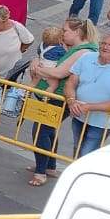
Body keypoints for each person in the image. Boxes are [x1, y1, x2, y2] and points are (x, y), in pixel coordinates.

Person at [27, 18, 97, 183]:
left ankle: (41, 172)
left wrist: (39, 68)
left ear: (77, 32)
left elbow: (59, 73)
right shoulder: (77, 49)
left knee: (41, 131)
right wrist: (37, 62)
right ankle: (48, 166)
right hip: (57, 95)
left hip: (59, 97)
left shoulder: (83, 52)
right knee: (48, 130)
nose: (62, 33)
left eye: (65, 30)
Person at [64, 32, 110, 158]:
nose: (105, 47)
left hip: (102, 122)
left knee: (87, 153)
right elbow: (71, 82)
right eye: (103, 43)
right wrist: (71, 101)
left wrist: (88, 107)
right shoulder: (87, 57)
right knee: (78, 148)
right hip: (78, 115)